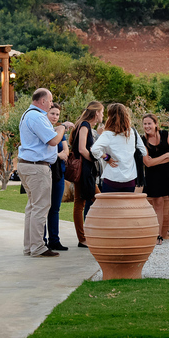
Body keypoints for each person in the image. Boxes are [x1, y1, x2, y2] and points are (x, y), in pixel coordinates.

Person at [18, 88, 73, 258]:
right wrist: (63, 126)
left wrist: (57, 128)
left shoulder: (28, 114)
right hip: (37, 167)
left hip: (27, 165)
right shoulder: (37, 116)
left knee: (32, 207)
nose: (51, 104)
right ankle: (38, 247)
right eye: (50, 101)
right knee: (41, 207)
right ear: (42, 101)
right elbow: (53, 140)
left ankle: (29, 246)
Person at [141, 113, 169, 245]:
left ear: (155, 124)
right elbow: (147, 163)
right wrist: (166, 156)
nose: (147, 126)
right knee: (158, 205)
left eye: (149, 123)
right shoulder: (142, 140)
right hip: (153, 175)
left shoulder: (165, 134)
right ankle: (159, 235)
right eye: (145, 124)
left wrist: (155, 160)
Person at [90, 103, 147, 193]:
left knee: (109, 207)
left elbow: (94, 149)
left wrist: (106, 157)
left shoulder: (107, 134)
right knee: (125, 207)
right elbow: (143, 152)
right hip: (130, 179)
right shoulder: (132, 132)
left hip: (111, 178)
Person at [72, 101, 103, 248]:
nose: (102, 115)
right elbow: (82, 149)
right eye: (102, 112)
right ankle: (84, 237)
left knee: (87, 202)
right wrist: (94, 159)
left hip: (86, 170)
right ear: (96, 113)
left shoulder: (86, 126)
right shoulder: (84, 125)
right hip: (84, 170)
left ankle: (86, 236)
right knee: (91, 202)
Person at [44, 103, 69, 251]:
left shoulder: (61, 132)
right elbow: (57, 153)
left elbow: (66, 151)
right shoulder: (45, 130)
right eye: (52, 113)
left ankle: (55, 240)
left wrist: (60, 155)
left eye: (57, 114)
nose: (55, 117)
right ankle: (42, 240)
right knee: (43, 207)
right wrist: (58, 155)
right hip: (46, 171)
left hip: (59, 172)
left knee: (55, 208)